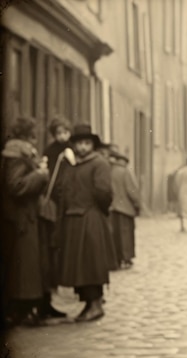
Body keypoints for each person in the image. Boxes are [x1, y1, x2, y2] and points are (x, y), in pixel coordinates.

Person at [57, 123, 116, 322]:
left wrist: (98, 211)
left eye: (86, 143)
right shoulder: (70, 164)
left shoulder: (99, 163)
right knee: (78, 267)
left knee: (91, 263)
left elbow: (104, 193)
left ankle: (96, 303)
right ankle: (88, 303)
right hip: (73, 219)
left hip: (90, 218)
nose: (82, 147)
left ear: (92, 145)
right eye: (79, 143)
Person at [0, 117, 50, 327]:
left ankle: (24, 309)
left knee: (25, 267)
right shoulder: (16, 156)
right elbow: (16, 186)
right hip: (21, 220)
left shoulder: (19, 154)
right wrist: (40, 174)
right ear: (27, 137)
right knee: (24, 268)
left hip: (25, 217)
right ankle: (23, 310)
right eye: (33, 137)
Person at [39, 115, 74, 319]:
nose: (62, 136)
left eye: (65, 132)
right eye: (58, 133)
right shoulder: (51, 151)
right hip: (53, 200)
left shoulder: (71, 149)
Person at [109, 150, 141, 269]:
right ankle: (127, 258)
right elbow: (132, 191)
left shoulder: (110, 171)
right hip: (126, 209)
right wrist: (137, 204)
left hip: (113, 208)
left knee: (115, 235)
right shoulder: (126, 172)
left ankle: (117, 259)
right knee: (126, 235)